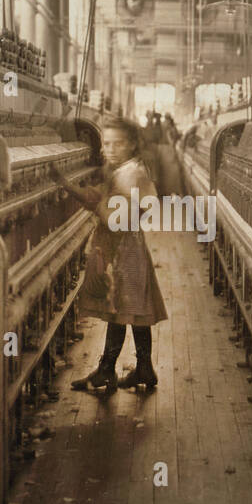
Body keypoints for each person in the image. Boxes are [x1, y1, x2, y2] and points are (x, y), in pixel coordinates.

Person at [50, 117, 168, 394]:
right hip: (128, 245)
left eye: (119, 143)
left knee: (121, 309)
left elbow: (114, 212)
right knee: (134, 309)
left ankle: (109, 369)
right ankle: (142, 367)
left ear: (132, 145)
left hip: (122, 248)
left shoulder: (130, 174)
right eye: (107, 143)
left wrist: (72, 190)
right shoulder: (129, 169)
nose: (111, 149)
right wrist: (73, 187)